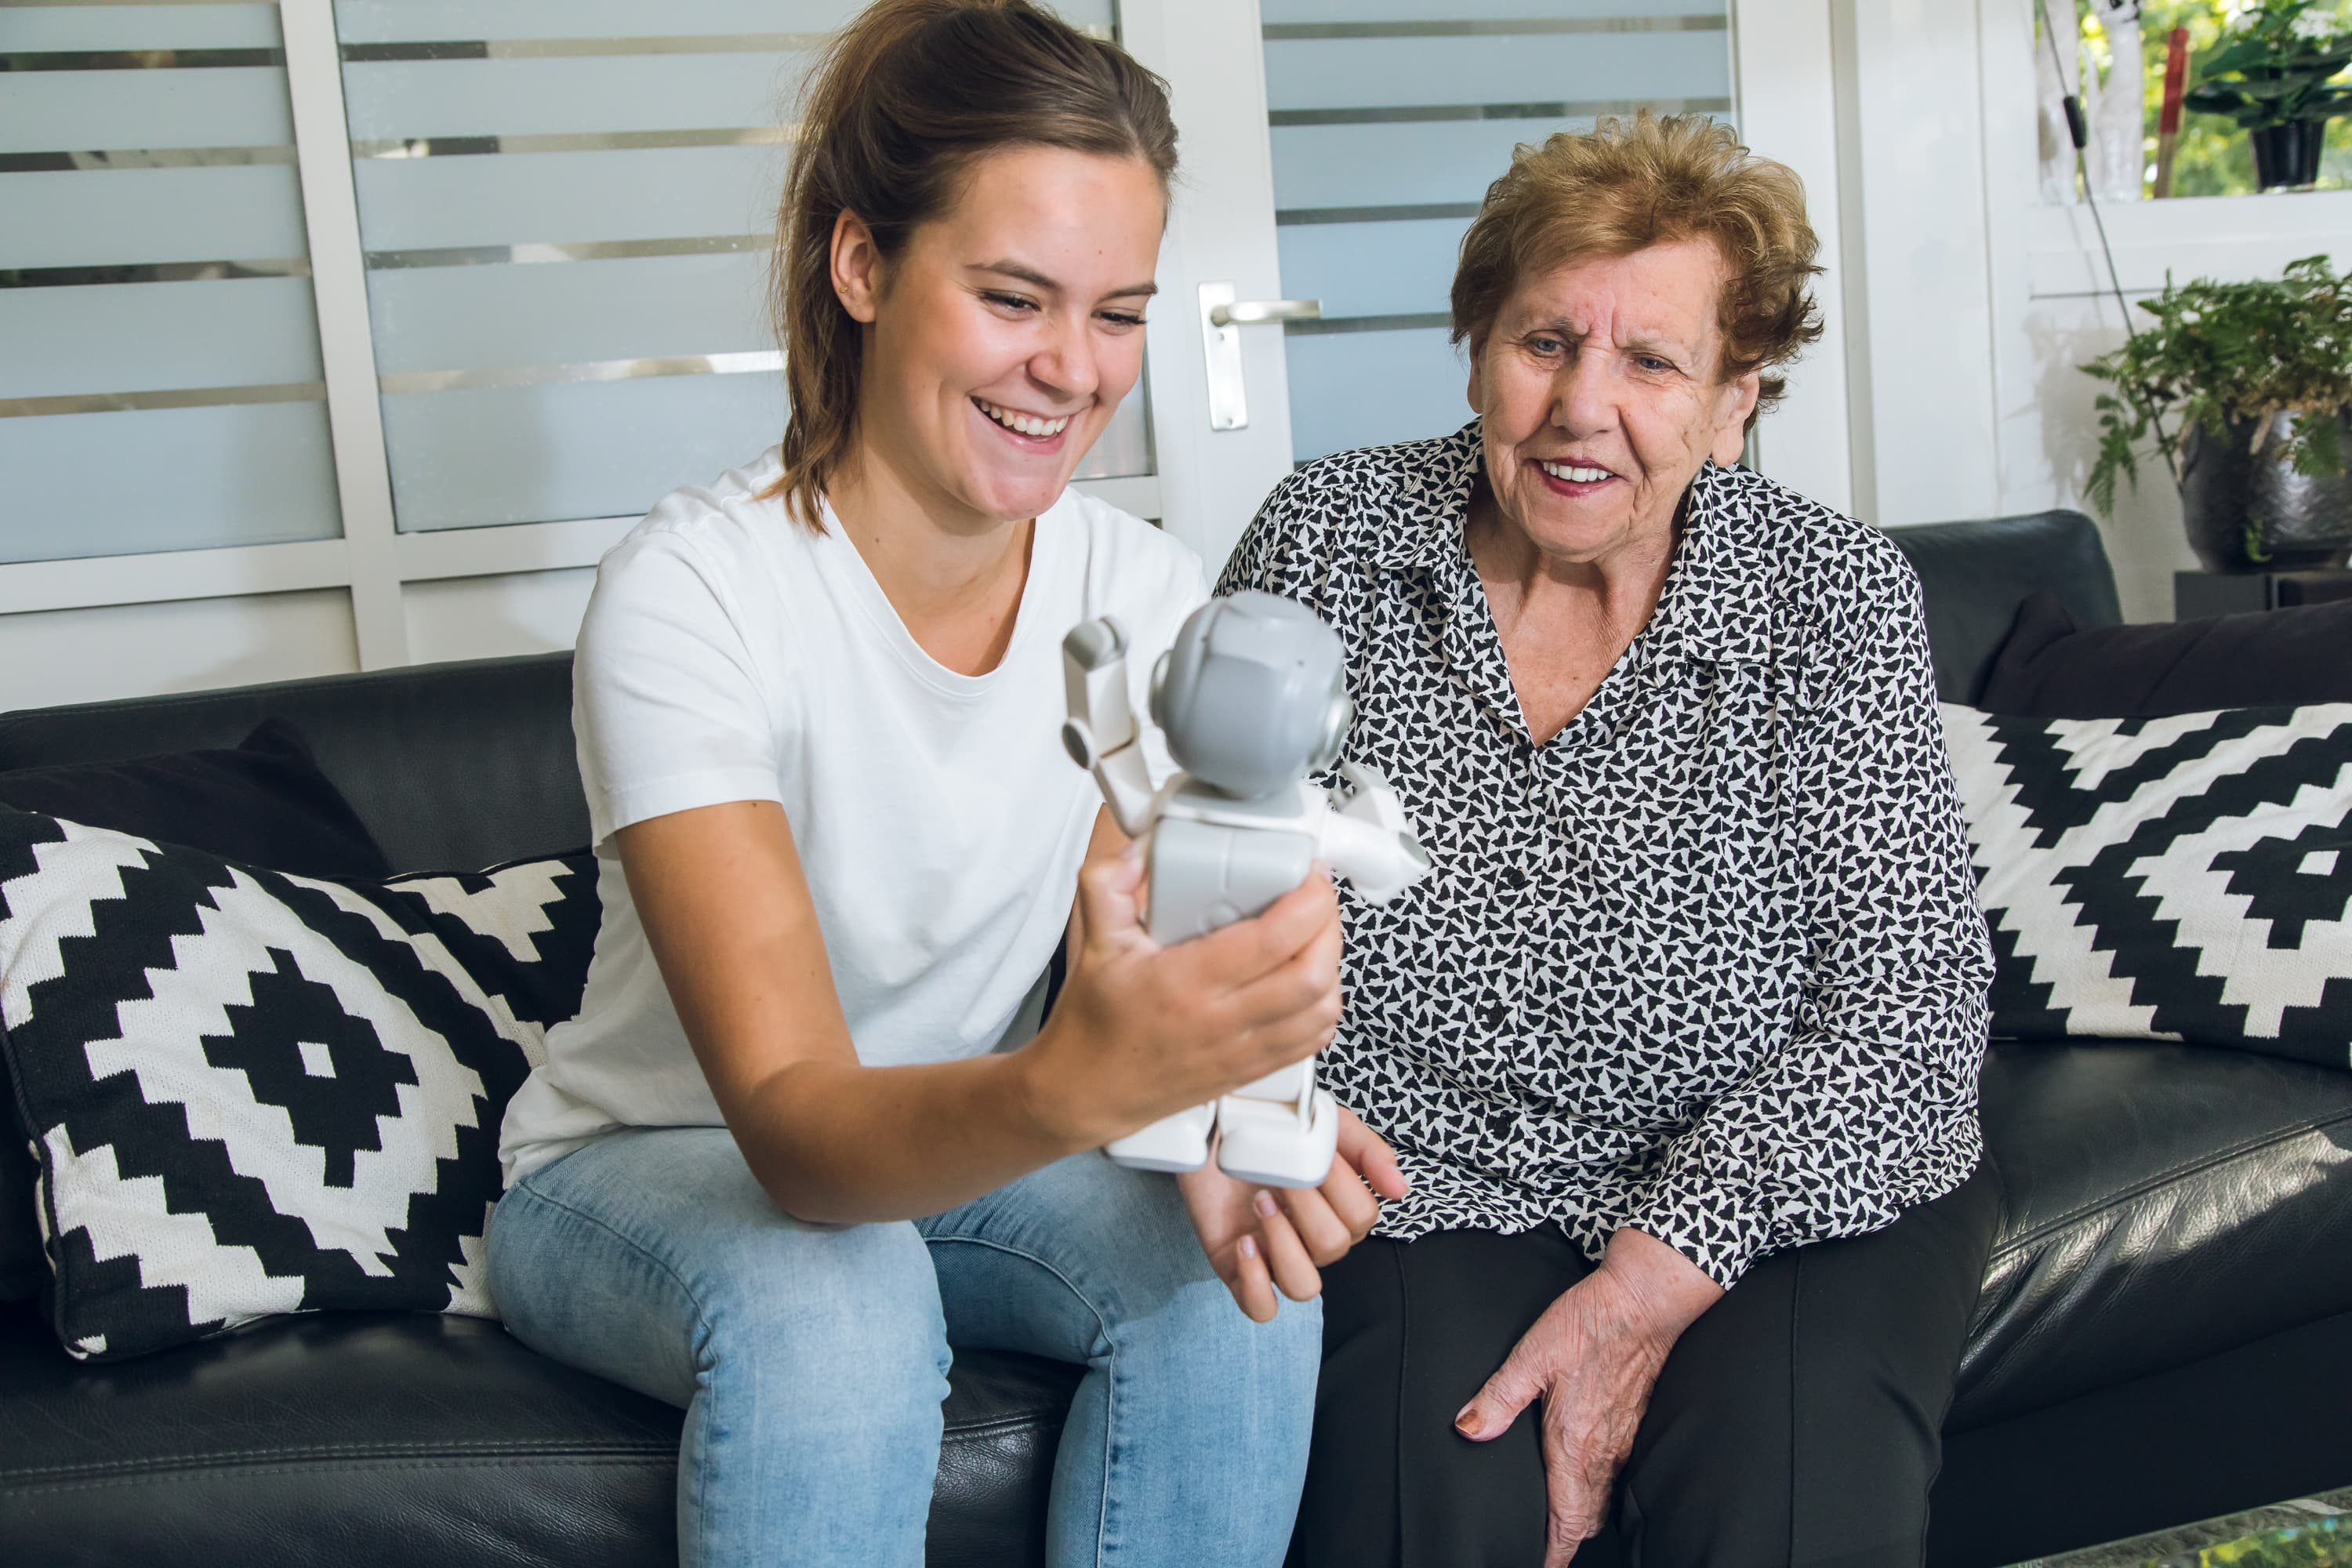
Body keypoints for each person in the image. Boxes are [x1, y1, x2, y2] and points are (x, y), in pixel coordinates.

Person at [485, 5, 1405, 1565]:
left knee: (1224, 1279)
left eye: (1118, 313)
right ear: (862, 266)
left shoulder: (1143, 591)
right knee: (831, 1294)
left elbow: (1173, 955)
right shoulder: (694, 595)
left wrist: (1239, 1101)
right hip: (650, 1164)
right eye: (1010, 297)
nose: (1073, 370)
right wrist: (1078, 1085)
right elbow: (792, 1130)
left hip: (967, 1152)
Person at [1222, 112, 2001, 1568]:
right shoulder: (1326, 544)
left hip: (1783, 1182)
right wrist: (1257, 1115)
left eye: (1652, 362)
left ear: (1732, 403)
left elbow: (1907, 1008)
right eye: (1543, 343)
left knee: (1782, 1515)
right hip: (1423, 1181)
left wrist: (1652, 1277)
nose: (1585, 404)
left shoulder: (1833, 599)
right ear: (1474, 350)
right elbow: (1202, 878)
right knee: (1428, 1512)